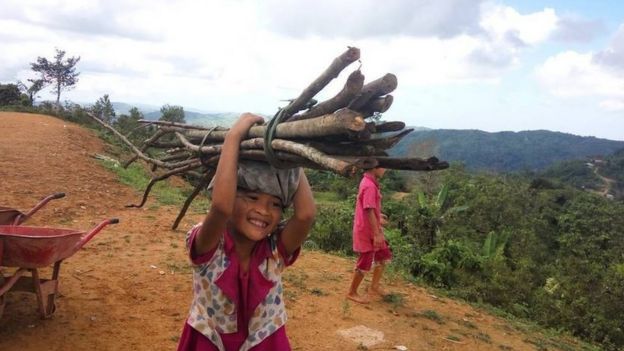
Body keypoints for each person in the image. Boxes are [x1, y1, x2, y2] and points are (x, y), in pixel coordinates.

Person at [177, 113, 316, 351]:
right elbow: (221, 207)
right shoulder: (209, 246)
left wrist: (291, 155)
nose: (263, 210)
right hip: (210, 341)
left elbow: (305, 215)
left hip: (264, 341)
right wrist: (233, 137)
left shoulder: (274, 250)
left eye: (275, 204)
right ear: (234, 196)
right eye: (252, 197)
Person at [346, 166, 392, 304]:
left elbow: (370, 208)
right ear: (374, 167)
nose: (385, 170)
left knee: (383, 255)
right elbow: (369, 210)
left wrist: (379, 217)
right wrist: (377, 233)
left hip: (372, 227)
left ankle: (374, 286)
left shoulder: (368, 182)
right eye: (383, 166)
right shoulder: (370, 186)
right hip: (367, 230)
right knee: (365, 260)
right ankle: (352, 292)